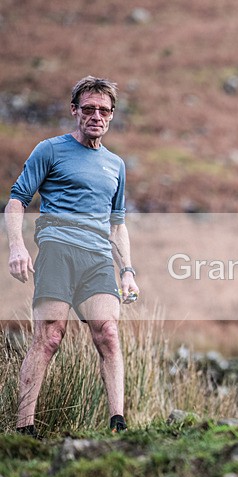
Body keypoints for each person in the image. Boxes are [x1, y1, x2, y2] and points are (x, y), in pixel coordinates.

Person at [4, 76, 139, 437]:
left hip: (98, 259)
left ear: (112, 115)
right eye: (89, 108)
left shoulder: (116, 165)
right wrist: (17, 246)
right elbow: (16, 201)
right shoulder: (50, 150)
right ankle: (24, 428)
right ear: (74, 111)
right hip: (58, 250)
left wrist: (127, 271)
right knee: (49, 336)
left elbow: (117, 225)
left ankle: (118, 425)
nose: (96, 116)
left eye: (104, 110)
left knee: (108, 333)